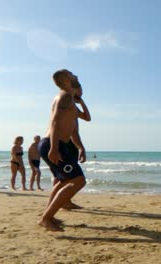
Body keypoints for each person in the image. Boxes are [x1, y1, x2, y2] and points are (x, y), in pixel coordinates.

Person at [37, 69, 87, 231]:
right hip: (53, 143)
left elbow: (82, 121)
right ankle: (46, 218)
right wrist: (54, 147)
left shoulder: (69, 98)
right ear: (66, 79)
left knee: (63, 181)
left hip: (58, 144)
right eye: (71, 74)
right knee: (79, 180)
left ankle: (48, 216)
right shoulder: (64, 96)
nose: (75, 75)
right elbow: (54, 122)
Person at [52, 77, 90, 210]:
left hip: (72, 143)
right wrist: (54, 147)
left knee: (67, 177)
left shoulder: (74, 104)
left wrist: (82, 102)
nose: (82, 91)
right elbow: (55, 122)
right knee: (63, 178)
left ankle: (66, 202)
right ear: (75, 88)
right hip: (65, 142)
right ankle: (55, 205)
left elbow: (87, 118)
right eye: (80, 89)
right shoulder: (67, 101)